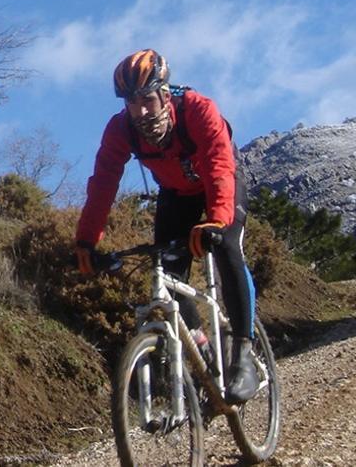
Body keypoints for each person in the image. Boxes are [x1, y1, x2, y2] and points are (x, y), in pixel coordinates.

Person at [74, 49, 258, 404]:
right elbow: (103, 183)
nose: (141, 111)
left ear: (164, 93)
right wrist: (86, 240)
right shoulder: (121, 129)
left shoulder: (198, 109)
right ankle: (202, 350)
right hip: (176, 195)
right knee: (168, 276)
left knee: (227, 248)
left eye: (147, 99)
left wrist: (217, 219)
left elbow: (220, 164)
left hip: (219, 186)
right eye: (131, 102)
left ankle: (244, 354)